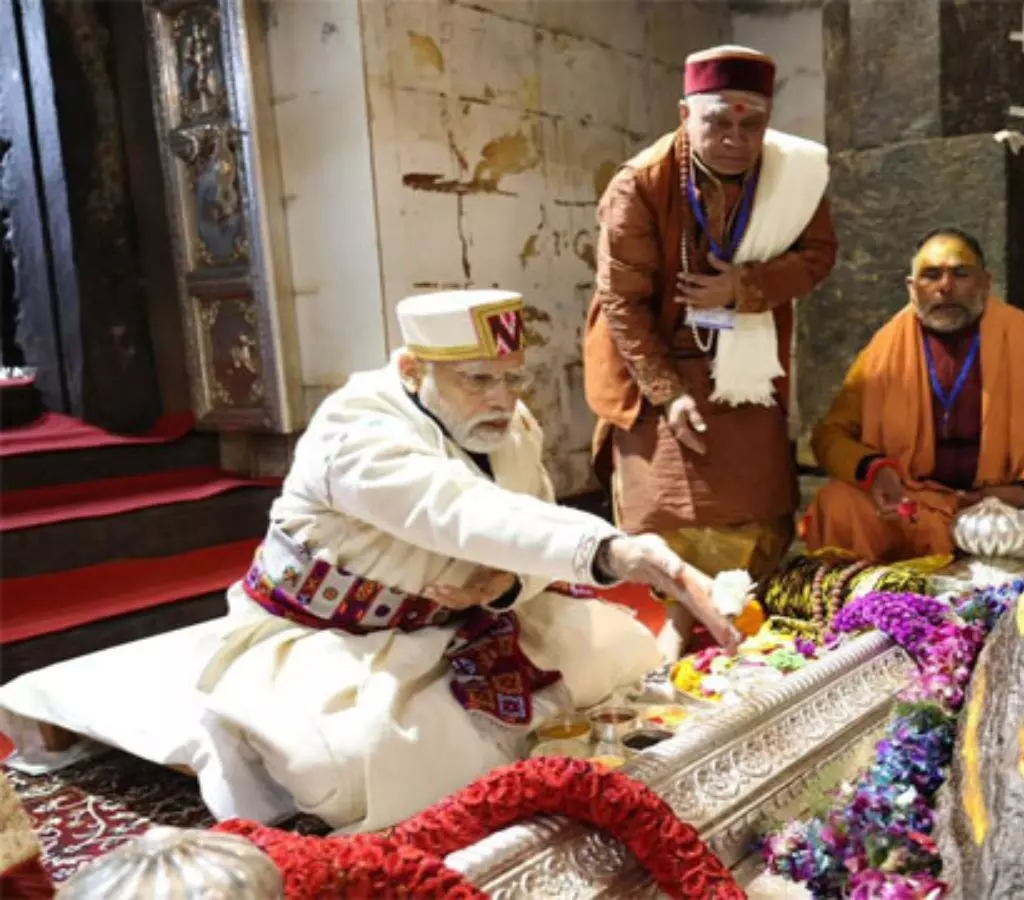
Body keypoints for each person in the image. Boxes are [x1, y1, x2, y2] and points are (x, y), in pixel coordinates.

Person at [195, 289, 739, 834]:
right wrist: (618, 551)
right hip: (333, 637)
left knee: (624, 656)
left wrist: (507, 585)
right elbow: (458, 508)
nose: (503, 400)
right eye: (478, 380)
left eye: (513, 378)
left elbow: (531, 526)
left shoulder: (510, 425)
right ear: (412, 370)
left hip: (460, 624)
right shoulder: (354, 430)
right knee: (339, 771)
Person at [583, 44, 838, 593]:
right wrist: (667, 393)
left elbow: (818, 254)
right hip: (654, 360)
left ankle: (748, 615)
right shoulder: (641, 183)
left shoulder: (791, 174)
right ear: (685, 115)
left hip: (744, 355)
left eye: (752, 126)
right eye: (717, 122)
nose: (735, 140)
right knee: (665, 503)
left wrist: (742, 287)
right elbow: (622, 302)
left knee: (760, 495)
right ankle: (675, 619)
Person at [801, 229, 1024, 565]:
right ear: (912, 288)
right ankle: (981, 559)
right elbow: (830, 434)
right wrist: (876, 471)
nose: (945, 287)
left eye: (961, 274)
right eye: (931, 275)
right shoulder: (884, 350)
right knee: (836, 502)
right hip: (912, 506)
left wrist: (1023, 491)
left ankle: (980, 551)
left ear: (985, 282)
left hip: (997, 510)